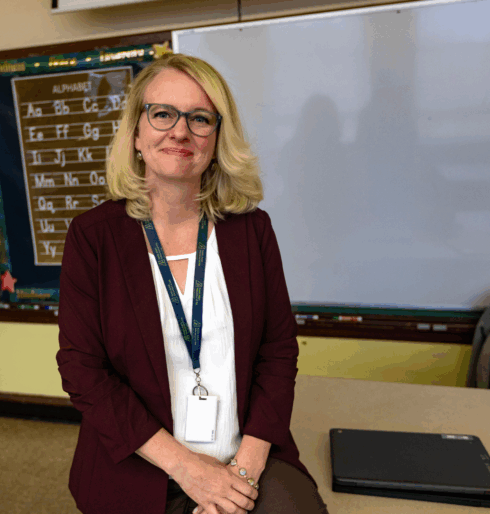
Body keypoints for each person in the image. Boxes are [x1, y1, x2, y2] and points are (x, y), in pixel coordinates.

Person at [56, 53, 328, 514]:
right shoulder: (92, 237)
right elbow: (84, 372)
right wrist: (189, 470)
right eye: (162, 114)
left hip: (247, 453)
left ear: (217, 138)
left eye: (200, 118)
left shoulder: (251, 230)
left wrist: (240, 475)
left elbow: (279, 353)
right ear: (137, 133)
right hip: (140, 461)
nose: (180, 131)